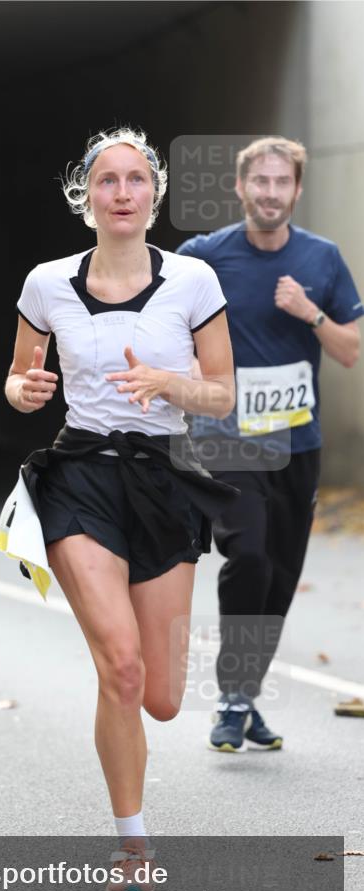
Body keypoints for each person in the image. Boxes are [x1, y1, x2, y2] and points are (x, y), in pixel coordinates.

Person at [2, 128, 238, 891]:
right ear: (86, 197)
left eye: (136, 180)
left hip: (163, 479)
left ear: (154, 195)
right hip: (79, 476)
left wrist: (169, 386)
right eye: (108, 181)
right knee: (122, 666)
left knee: (164, 698)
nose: (123, 193)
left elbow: (222, 393)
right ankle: (133, 849)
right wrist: (24, 393)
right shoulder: (45, 284)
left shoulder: (194, 281)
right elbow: (17, 377)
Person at [177, 137, 362, 751]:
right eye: (261, 182)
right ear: (240, 187)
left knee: (280, 574)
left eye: (283, 183)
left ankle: (243, 697)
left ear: (298, 190)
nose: (271, 193)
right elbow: (165, 323)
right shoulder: (205, 259)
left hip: (297, 443)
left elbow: (350, 350)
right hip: (229, 440)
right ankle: (232, 697)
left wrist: (310, 314)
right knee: (249, 554)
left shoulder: (323, 259)